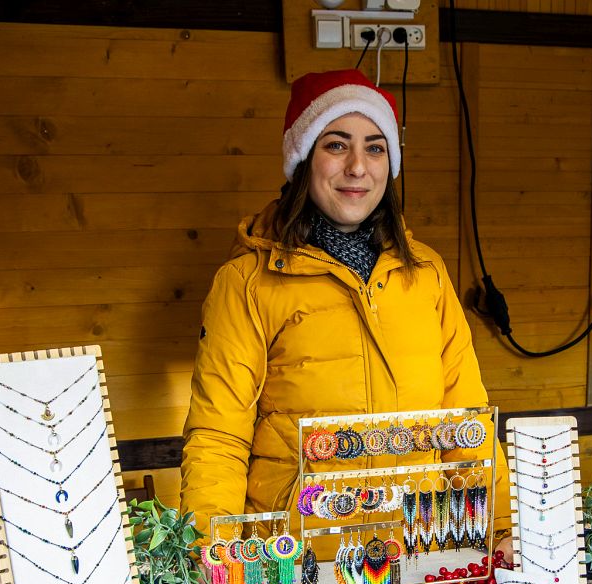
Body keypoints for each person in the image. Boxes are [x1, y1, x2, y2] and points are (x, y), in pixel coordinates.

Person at [180, 68, 511, 558]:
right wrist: (211, 554)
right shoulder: (247, 282)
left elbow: (466, 420)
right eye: (336, 145)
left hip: (420, 557)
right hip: (297, 563)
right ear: (303, 159)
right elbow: (218, 435)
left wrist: (500, 529)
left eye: (375, 148)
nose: (358, 167)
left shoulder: (427, 274)